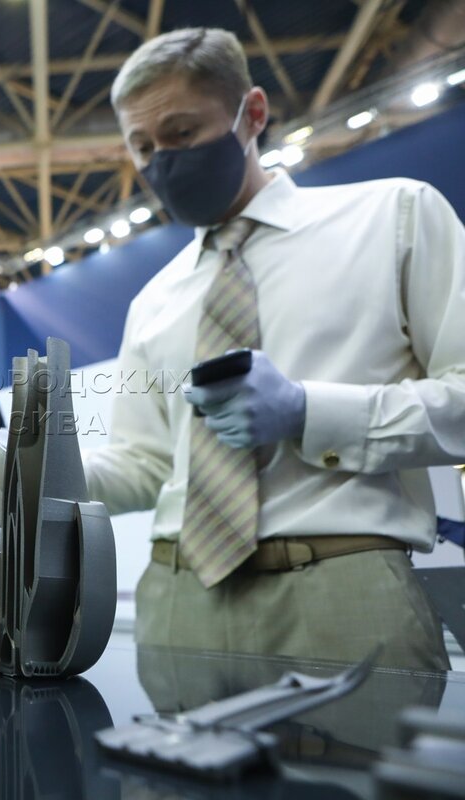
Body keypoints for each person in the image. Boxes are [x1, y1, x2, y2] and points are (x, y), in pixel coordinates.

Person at [83, 27, 464, 669]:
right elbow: (147, 464)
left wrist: (310, 412)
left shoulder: (393, 218)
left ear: (252, 113)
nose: (162, 162)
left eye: (182, 132)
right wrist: (24, 471)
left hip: (341, 592)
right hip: (178, 600)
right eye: (143, 147)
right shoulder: (153, 302)